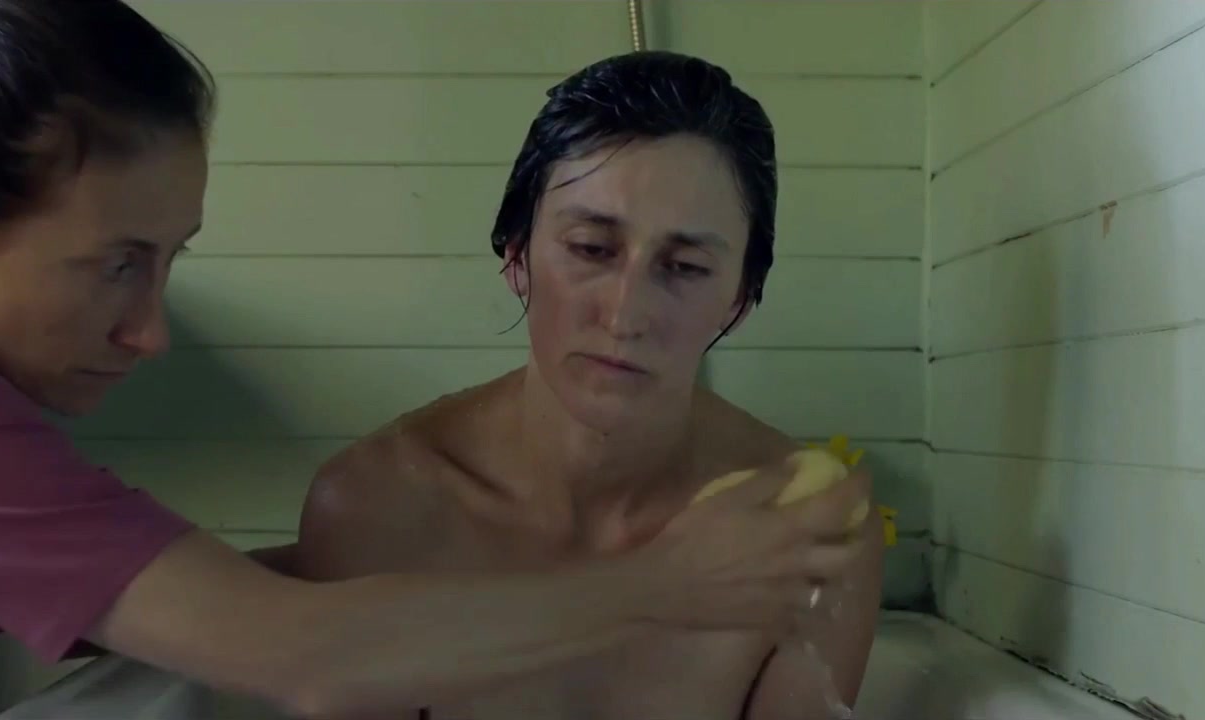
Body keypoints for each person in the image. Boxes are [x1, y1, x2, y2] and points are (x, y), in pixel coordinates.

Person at [0, 3, 874, 720]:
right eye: (118, 262)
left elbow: (157, 609)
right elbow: (299, 654)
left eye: (168, 262)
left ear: (740, 294)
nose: (149, 328)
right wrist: (668, 583)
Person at [292, 51, 885, 720]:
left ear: (739, 300)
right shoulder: (380, 506)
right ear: (518, 257)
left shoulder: (804, 537)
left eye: (685, 267)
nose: (626, 316)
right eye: (591, 249)